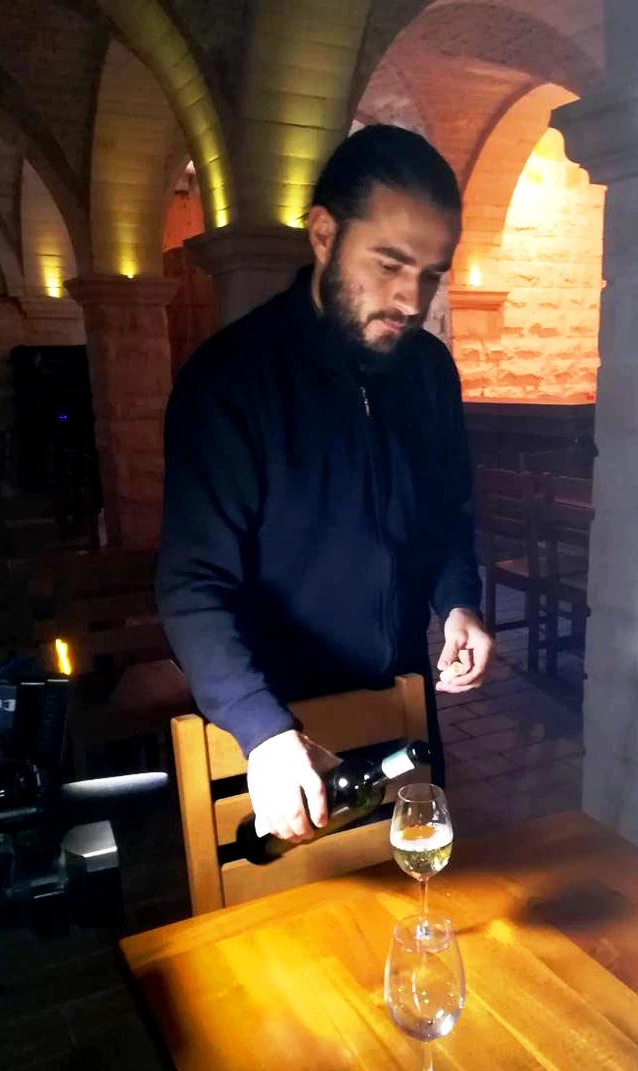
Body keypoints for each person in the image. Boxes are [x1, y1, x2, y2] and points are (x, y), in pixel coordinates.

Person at [157, 125, 494, 845]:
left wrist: (459, 600)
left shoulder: (429, 372)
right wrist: (260, 727)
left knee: (423, 896)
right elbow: (191, 586)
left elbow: (446, 512)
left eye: (431, 274)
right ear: (323, 235)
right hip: (280, 732)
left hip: (403, 706)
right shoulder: (230, 380)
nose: (411, 299)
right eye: (390, 263)